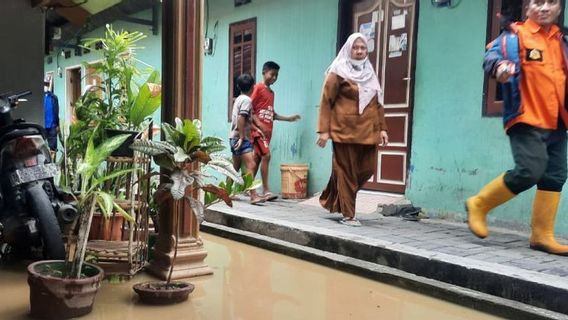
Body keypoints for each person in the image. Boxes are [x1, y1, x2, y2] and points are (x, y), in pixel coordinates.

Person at [468, 0, 568, 255]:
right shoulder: (515, 35)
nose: (544, 8)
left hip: (557, 122)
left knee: (555, 174)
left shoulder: (562, 41)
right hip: (526, 119)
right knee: (530, 170)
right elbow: (491, 56)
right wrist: (499, 68)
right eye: (538, 2)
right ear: (527, 7)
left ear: (559, 8)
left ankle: (542, 235)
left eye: (551, 2)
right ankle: (479, 204)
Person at [316, 33, 389, 227]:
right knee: (347, 172)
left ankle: (335, 195)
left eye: (362, 48)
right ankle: (349, 214)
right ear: (349, 49)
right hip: (344, 131)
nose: (359, 51)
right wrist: (324, 130)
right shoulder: (338, 70)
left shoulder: (369, 72)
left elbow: (377, 102)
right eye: (355, 48)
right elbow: (326, 100)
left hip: (368, 130)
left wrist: (382, 128)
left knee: (368, 169)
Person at [251, 61, 301, 200]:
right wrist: (259, 125)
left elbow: (272, 114)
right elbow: (250, 108)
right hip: (258, 131)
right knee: (266, 156)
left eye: (276, 75)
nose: (274, 78)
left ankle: (248, 188)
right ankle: (266, 190)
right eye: (272, 74)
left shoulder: (272, 93)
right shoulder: (258, 88)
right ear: (264, 72)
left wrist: (288, 118)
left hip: (268, 133)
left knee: (257, 159)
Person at [229, 73, 266, 205]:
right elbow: (241, 118)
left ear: (238, 86)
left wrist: (257, 130)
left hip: (234, 137)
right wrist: (242, 137)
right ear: (252, 87)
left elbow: (246, 121)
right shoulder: (246, 100)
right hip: (240, 139)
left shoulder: (239, 99)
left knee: (235, 167)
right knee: (251, 165)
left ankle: (227, 193)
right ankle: (254, 195)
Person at [43, 76, 60, 153]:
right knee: (41, 147)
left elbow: (56, 111)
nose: (45, 86)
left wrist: (57, 125)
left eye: (46, 84)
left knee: (53, 148)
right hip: (42, 125)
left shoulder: (54, 97)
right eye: (44, 84)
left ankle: (52, 163)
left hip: (52, 126)